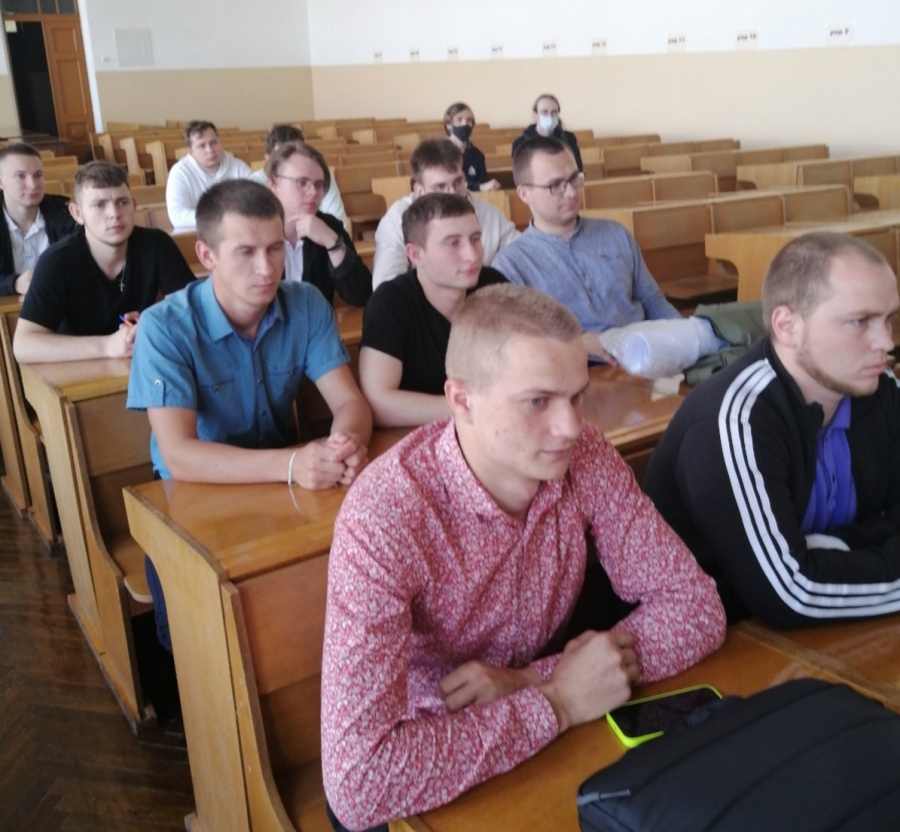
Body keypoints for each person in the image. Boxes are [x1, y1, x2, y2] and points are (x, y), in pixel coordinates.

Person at [321, 283, 726, 831]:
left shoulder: (586, 456)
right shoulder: (386, 515)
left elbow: (696, 607)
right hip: (430, 753)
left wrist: (534, 680)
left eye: (577, 396)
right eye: (538, 401)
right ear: (461, 399)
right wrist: (558, 701)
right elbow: (360, 782)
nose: (571, 427)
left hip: (541, 745)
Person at [127, 179, 372, 652]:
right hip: (191, 492)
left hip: (282, 481)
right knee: (190, 639)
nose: (266, 267)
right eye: (245, 252)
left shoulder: (305, 302)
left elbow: (350, 404)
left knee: (322, 610)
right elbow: (179, 455)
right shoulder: (164, 327)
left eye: (275, 248)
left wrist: (344, 444)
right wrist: (293, 464)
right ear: (207, 255)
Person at [643, 232, 900, 628]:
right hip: (727, 637)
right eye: (859, 322)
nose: (887, 342)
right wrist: (858, 546)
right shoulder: (733, 419)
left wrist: (836, 546)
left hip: (835, 620)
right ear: (787, 326)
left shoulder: (881, 389)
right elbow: (790, 595)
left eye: (889, 319)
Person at [492, 136, 681, 363]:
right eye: (555, 185)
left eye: (574, 179)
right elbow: (516, 344)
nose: (571, 192)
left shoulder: (615, 234)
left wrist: (686, 335)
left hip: (645, 356)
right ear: (524, 194)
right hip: (575, 370)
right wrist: (577, 344)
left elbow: (652, 300)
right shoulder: (511, 265)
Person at [13, 161, 194, 363]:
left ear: (134, 206)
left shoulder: (157, 244)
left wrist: (155, 320)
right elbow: (23, 346)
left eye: (122, 202)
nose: (114, 214)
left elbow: (191, 311)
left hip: (141, 363)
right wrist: (108, 345)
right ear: (77, 213)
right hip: (78, 368)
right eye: (99, 205)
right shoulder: (56, 261)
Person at [360, 193, 506, 427]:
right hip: (417, 434)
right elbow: (378, 404)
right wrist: (476, 408)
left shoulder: (494, 286)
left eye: (475, 239)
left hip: (492, 428)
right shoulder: (390, 303)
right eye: (453, 243)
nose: (472, 255)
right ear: (416, 255)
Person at [371, 138, 518, 290]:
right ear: (420, 191)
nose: (452, 193)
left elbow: (521, 254)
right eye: (440, 186)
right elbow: (386, 285)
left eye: (458, 182)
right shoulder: (397, 220)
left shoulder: (488, 213)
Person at [267, 141, 372, 306]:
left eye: (319, 185)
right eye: (302, 183)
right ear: (274, 184)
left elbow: (362, 295)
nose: (313, 192)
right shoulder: (254, 231)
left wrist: (332, 243)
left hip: (317, 322)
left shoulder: (329, 227)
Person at [0, 142, 76, 296]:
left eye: (38, 175)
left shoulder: (65, 213)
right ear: (1, 182)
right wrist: (14, 283)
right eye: (20, 176)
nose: (33, 185)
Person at [250, 124, 348, 229]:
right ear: (267, 159)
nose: (313, 191)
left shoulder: (319, 177)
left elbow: (339, 221)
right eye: (281, 157)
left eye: (296, 155)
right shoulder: (253, 185)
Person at [165, 120, 251, 233]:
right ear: (190, 151)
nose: (210, 150)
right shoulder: (179, 173)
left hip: (238, 231)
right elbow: (177, 216)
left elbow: (258, 198)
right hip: (198, 234)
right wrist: (221, 218)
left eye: (213, 142)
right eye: (202, 146)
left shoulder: (238, 166)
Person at [511, 93, 583, 172]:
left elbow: (578, 168)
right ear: (535, 115)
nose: (550, 116)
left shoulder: (569, 138)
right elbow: (521, 174)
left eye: (554, 112)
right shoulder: (520, 143)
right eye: (545, 112)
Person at [443, 102, 500, 192]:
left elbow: (483, 184)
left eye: (469, 120)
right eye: (459, 120)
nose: (465, 124)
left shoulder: (477, 155)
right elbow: (446, 184)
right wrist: (479, 187)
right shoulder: (439, 153)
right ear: (449, 125)